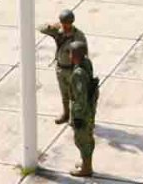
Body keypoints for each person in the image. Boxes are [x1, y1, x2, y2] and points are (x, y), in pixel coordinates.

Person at [41, 10, 87, 124]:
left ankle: (73, 116)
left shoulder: (78, 36)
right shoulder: (58, 32)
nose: (65, 26)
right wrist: (51, 26)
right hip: (61, 68)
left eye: (67, 24)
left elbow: (83, 53)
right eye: (63, 23)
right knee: (64, 94)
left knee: (74, 95)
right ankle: (65, 114)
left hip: (72, 69)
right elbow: (41, 28)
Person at [67, 40, 97, 178]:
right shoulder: (86, 63)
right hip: (89, 109)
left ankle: (86, 168)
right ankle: (86, 163)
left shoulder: (79, 73)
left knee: (82, 139)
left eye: (70, 53)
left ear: (75, 55)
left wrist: (78, 117)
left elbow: (80, 97)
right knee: (87, 138)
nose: (69, 56)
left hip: (82, 112)